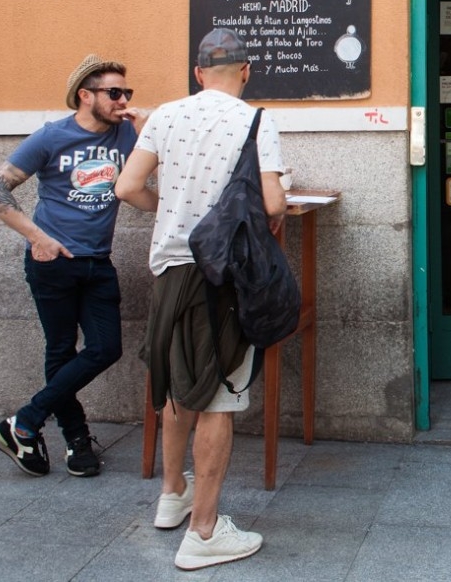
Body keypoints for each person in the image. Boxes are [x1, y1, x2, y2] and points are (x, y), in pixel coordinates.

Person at [115, 28, 286, 571]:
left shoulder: (164, 116)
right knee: (218, 397)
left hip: (170, 271)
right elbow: (276, 202)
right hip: (223, 280)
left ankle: (172, 495)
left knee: (177, 385)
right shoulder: (256, 121)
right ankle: (205, 533)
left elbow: (126, 188)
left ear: (196, 73)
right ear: (246, 70)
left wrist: (170, 207)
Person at [0, 54, 143, 478]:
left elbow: (158, 161)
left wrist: (144, 126)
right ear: (85, 95)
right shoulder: (52, 137)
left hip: (98, 263)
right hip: (53, 262)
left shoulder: (126, 133)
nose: (122, 99)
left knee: (106, 348)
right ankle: (75, 442)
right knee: (59, 351)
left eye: (127, 92)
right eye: (113, 92)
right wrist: (37, 237)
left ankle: (25, 422)